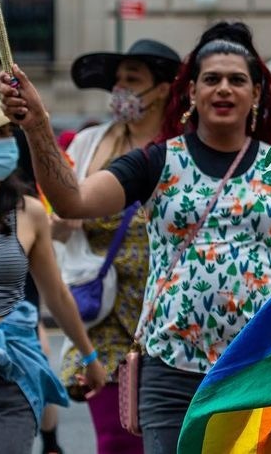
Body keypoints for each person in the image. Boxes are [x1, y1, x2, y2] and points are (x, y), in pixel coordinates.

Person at [0, 22, 271, 453]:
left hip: (255, 373)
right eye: (211, 79)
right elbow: (72, 201)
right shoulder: (158, 160)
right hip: (169, 371)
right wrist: (38, 125)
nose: (223, 89)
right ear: (191, 93)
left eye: (237, 80)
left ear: (257, 94)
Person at [52, 39, 180, 453]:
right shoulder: (88, 144)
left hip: (165, 312)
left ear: (162, 88)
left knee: (164, 435)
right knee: (114, 438)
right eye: (118, 80)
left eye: (133, 79)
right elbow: (55, 216)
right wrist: (62, 220)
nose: (121, 89)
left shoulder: (183, 148)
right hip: (102, 309)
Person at [0, 95, 107, 453]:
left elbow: (55, 292)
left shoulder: (29, 211)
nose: (7, 143)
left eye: (9, 132)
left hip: (9, 362)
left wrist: (89, 358)